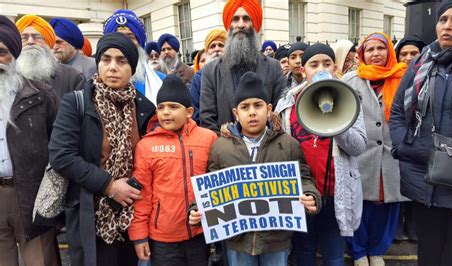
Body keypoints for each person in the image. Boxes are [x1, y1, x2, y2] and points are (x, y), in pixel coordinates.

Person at [189, 71, 321, 266]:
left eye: (257, 105)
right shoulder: (220, 147)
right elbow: (210, 185)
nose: (252, 112)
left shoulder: (289, 144)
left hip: (276, 240)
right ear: (236, 113)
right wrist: (197, 208)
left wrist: (311, 195)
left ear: (268, 110)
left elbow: (304, 177)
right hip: (237, 241)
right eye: (245, 107)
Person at [48, 32, 156, 266]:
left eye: (121, 61)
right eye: (106, 59)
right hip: (91, 215)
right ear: (98, 64)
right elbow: (61, 155)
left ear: (132, 68)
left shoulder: (144, 108)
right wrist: (109, 186)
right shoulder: (76, 103)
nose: (113, 67)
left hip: (133, 217)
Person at [390, 1, 452, 265]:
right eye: (443, 19)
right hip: (424, 180)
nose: (447, 25)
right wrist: (405, 147)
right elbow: (396, 114)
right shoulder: (420, 62)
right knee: (428, 256)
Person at [275, 43, 367, 266]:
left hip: (335, 194)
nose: (320, 69)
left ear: (335, 68)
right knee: (304, 251)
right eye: (313, 64)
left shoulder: (349, 100)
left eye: (326, 63)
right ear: (303, 69)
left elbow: (359, 146)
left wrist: (339, 123)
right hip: (303, 195)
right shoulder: (287, 106)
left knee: (334, 255)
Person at [129, 74, 218, 265]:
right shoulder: (147, 146)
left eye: (173, 107)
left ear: (189, 112)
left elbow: (217, 183)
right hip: (163, 238)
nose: (166, 113)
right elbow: (142, 195)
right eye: (161, 107)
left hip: (199, 233)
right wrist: (139, 235)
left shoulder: (208, 139)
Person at [342, 32, 408, 266]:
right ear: (362, 54)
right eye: (369, 50)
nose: (375, 54)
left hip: (392, 157)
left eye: (381, 48)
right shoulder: (350, 81)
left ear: (389, 51)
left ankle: (377, 250)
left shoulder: (404, 79)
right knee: (358, 206)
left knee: (386, 208)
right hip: (360, 155)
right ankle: (358, 252)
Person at [0, 15, 60, 266]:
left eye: (2, 52)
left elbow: (60, 148)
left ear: (13, 55)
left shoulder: (41, 94)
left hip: (32, 198)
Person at [200, 0, 286, 133]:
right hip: (225, 149)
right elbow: (207, 119)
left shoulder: (273, 67)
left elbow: (279, 113)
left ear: (254, 24)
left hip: (266, 148)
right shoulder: (210, 71)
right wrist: (226, 148)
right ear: (229, 25)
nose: (240, 25)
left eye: (246, 19)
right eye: (235, 19)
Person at [393, 34, 426, 242]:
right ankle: (396, 229)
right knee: (397, 189)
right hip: (399, 140)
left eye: (413, 53)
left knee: (418, 188)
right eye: (403, 54)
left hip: (422, 142)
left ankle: (414, 228)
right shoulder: (394, 79)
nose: (408, 58)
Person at [15, 14, 85, 99]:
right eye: (24, 38)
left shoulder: (73, 77)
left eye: (37, 37)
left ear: (48, 42)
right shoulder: (7, 75)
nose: (30, 41)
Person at [104, 9, 165, 105]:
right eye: (118, 36)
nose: (124, 43)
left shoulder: (161, 81)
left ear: (140, 42)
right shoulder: (94, 85)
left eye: (130, 37)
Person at [190, 29, 227, 124]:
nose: (217, 49)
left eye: (221, 45)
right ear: (207, 52)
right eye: (212, 46)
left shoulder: (234, 73)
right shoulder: (198, 78)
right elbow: (196, 113)